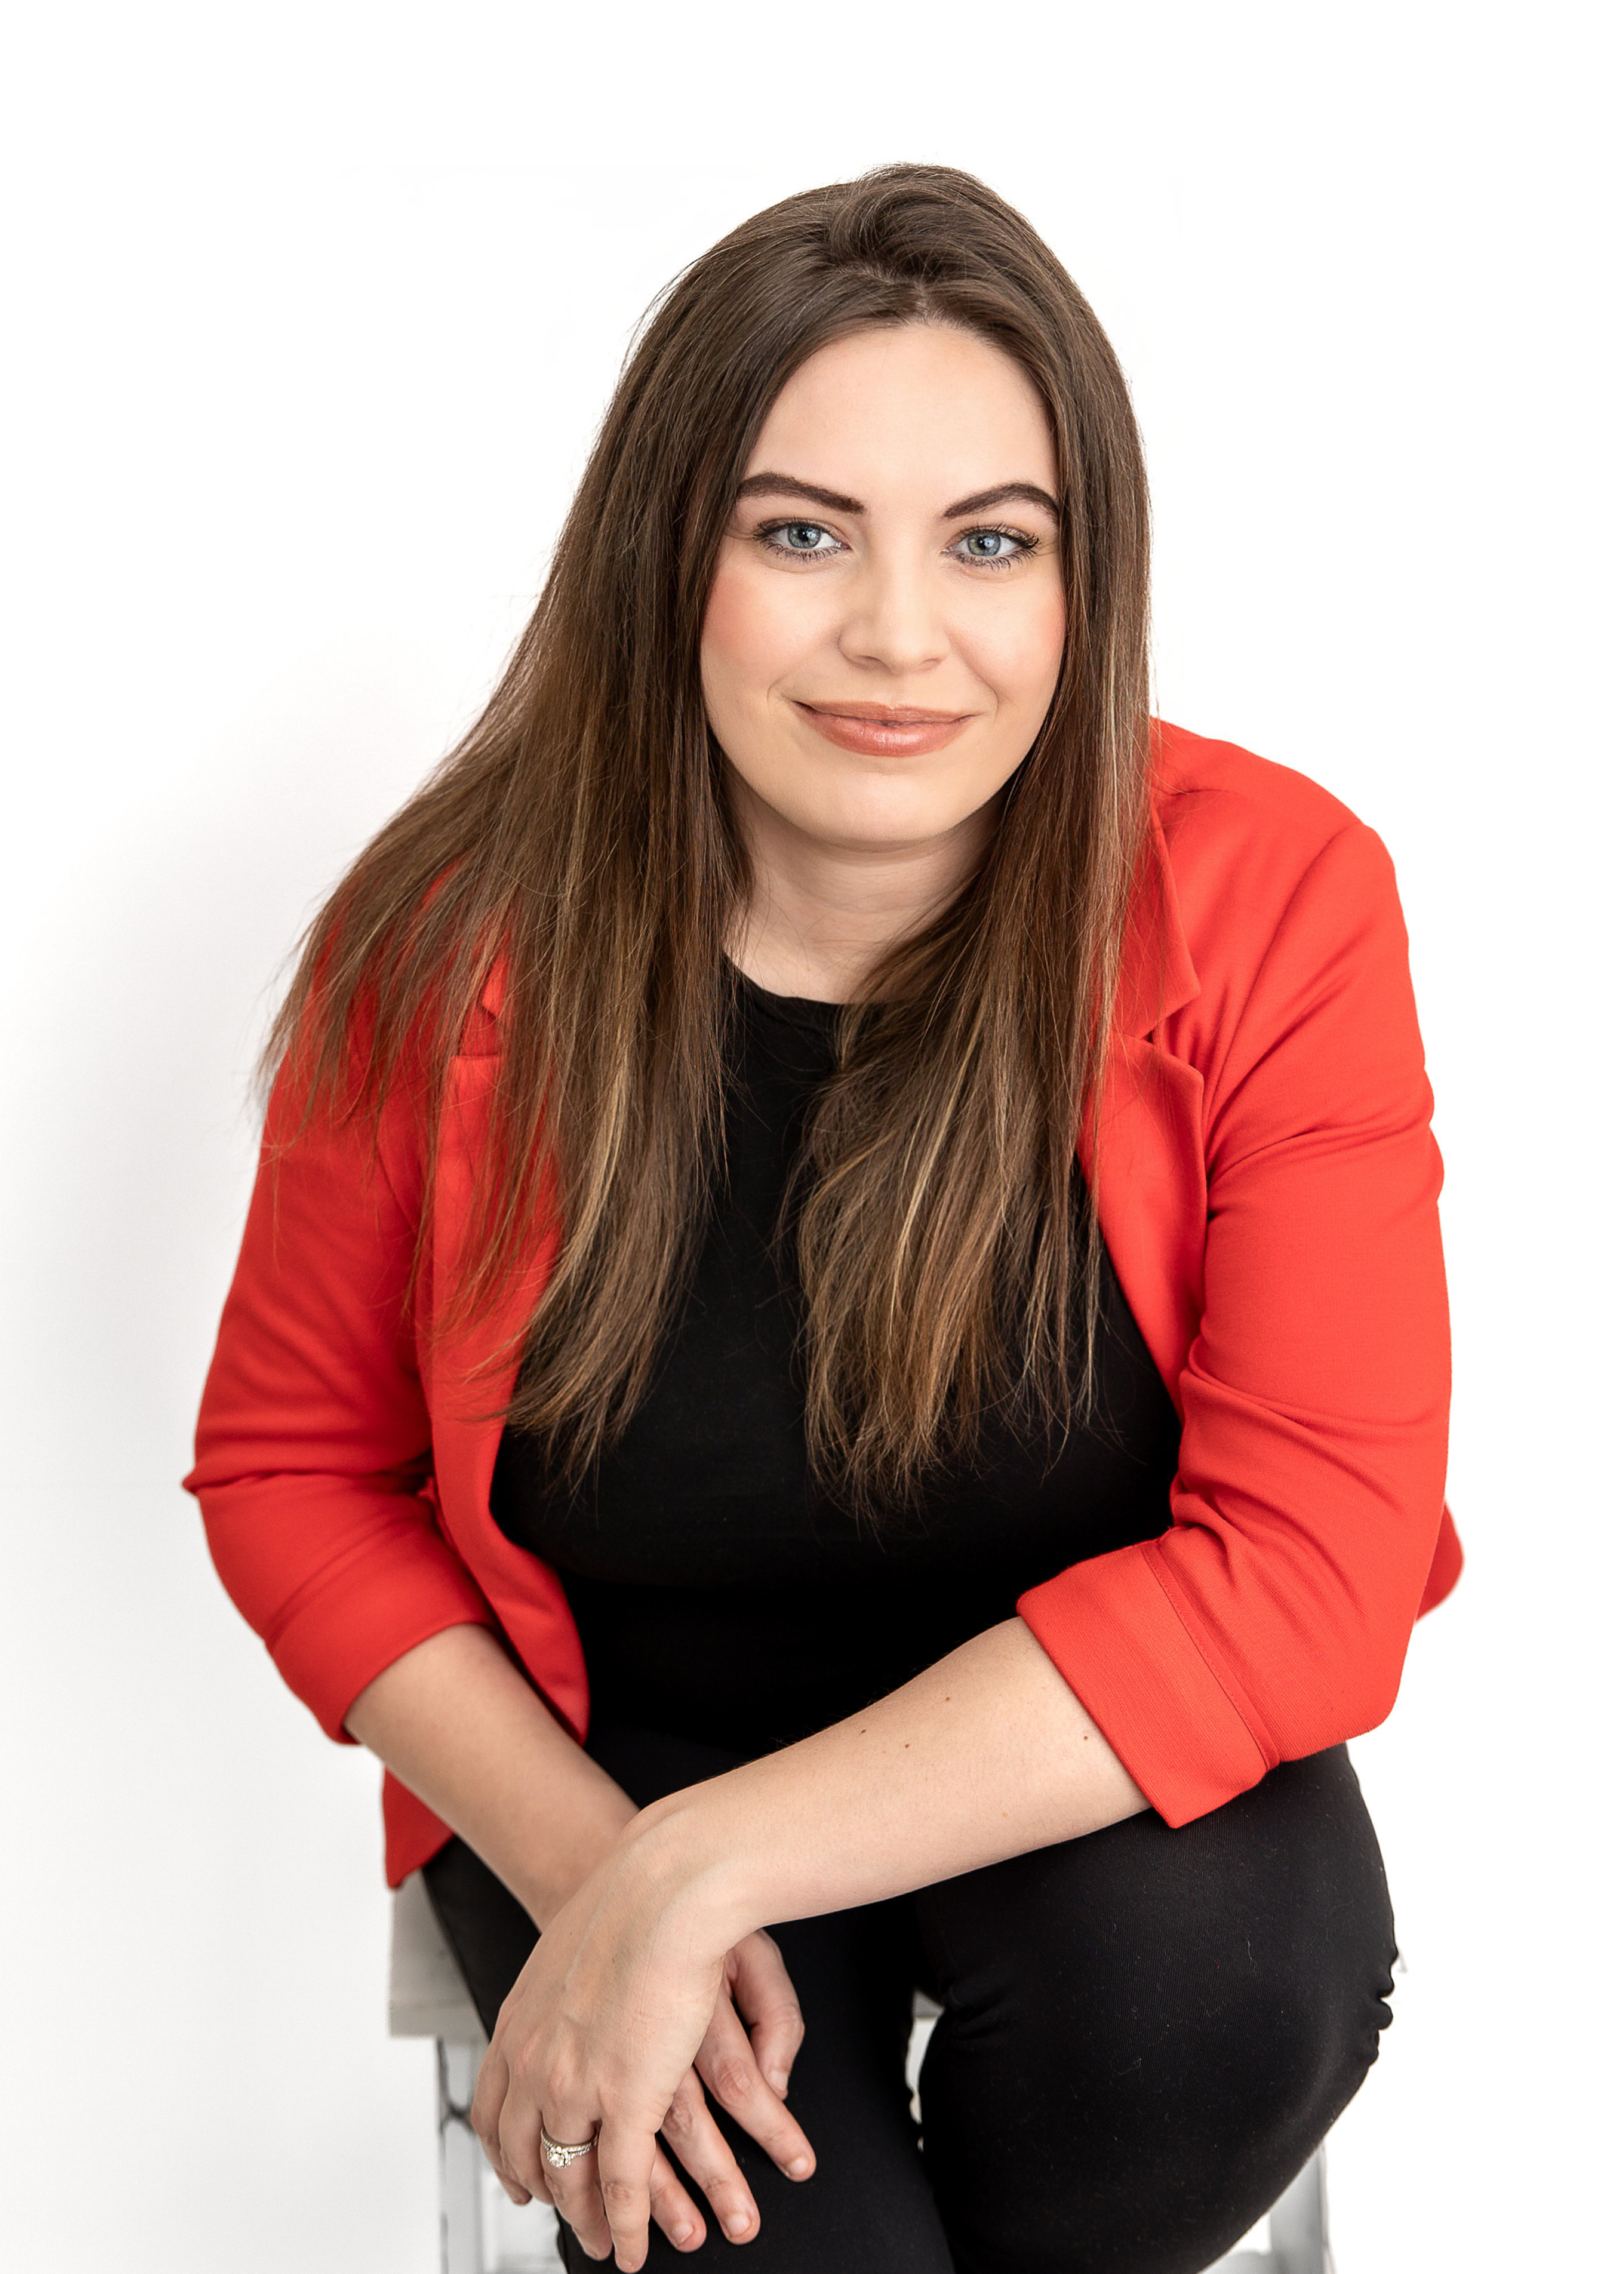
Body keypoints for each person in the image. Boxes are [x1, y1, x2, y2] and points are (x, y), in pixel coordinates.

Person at [186, 164, 1459, 2274]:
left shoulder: (1271, 897)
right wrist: (600, 1860)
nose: (898, 634)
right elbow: (296, 1475)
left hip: (1083, 1764)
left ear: (1081, 583)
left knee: (1208, 2011)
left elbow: (1310, 1571)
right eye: (800, 533)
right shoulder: (435, 939)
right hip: (607, 1745)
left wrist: (690, 1879)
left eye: (989, 543)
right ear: (666, 560)